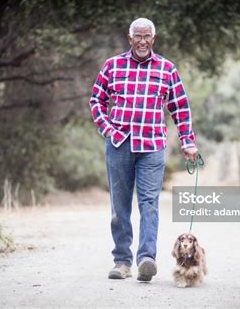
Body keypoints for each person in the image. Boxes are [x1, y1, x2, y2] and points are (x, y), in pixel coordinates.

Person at [89, 17, 198, 281]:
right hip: (119, 145)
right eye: (137, 36)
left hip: (152, 146)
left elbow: (180, 108)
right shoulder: (112, 65)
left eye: (146, 36)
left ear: (153, 39)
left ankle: (146, 259)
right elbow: (96, 99)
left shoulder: (167, 69)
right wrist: (109, 130)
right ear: (130, 39)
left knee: (149, 203)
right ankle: (122, 262)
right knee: (119, 206)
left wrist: (187, 140)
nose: (142, 41)